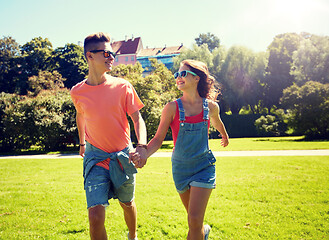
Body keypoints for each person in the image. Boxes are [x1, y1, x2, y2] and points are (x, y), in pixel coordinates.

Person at [70, 32, 147, 240]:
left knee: (127, 203)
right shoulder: (77, 92)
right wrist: (82, 143)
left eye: (112, 53)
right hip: (95, 158)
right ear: (89, 56)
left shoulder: (123, 86)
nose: (111, 57)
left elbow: (137, 119)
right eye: (106, 53)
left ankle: (133, 235)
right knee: (94, 216)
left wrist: (141, 145)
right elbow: (81, 116)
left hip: (123, 156)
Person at [141, 59, 229, 240]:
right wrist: (144, 154)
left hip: (204, 166)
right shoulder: (171, 108)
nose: (178, 77)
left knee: (194, 219)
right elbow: (158, 139)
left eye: (183, 74)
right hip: (180, 169)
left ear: (197, 78)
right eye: (177, 74)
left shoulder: (211, 107)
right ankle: (203, 232)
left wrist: (224, 135)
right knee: (193, 220)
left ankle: (200, 230)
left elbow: (217, 122)